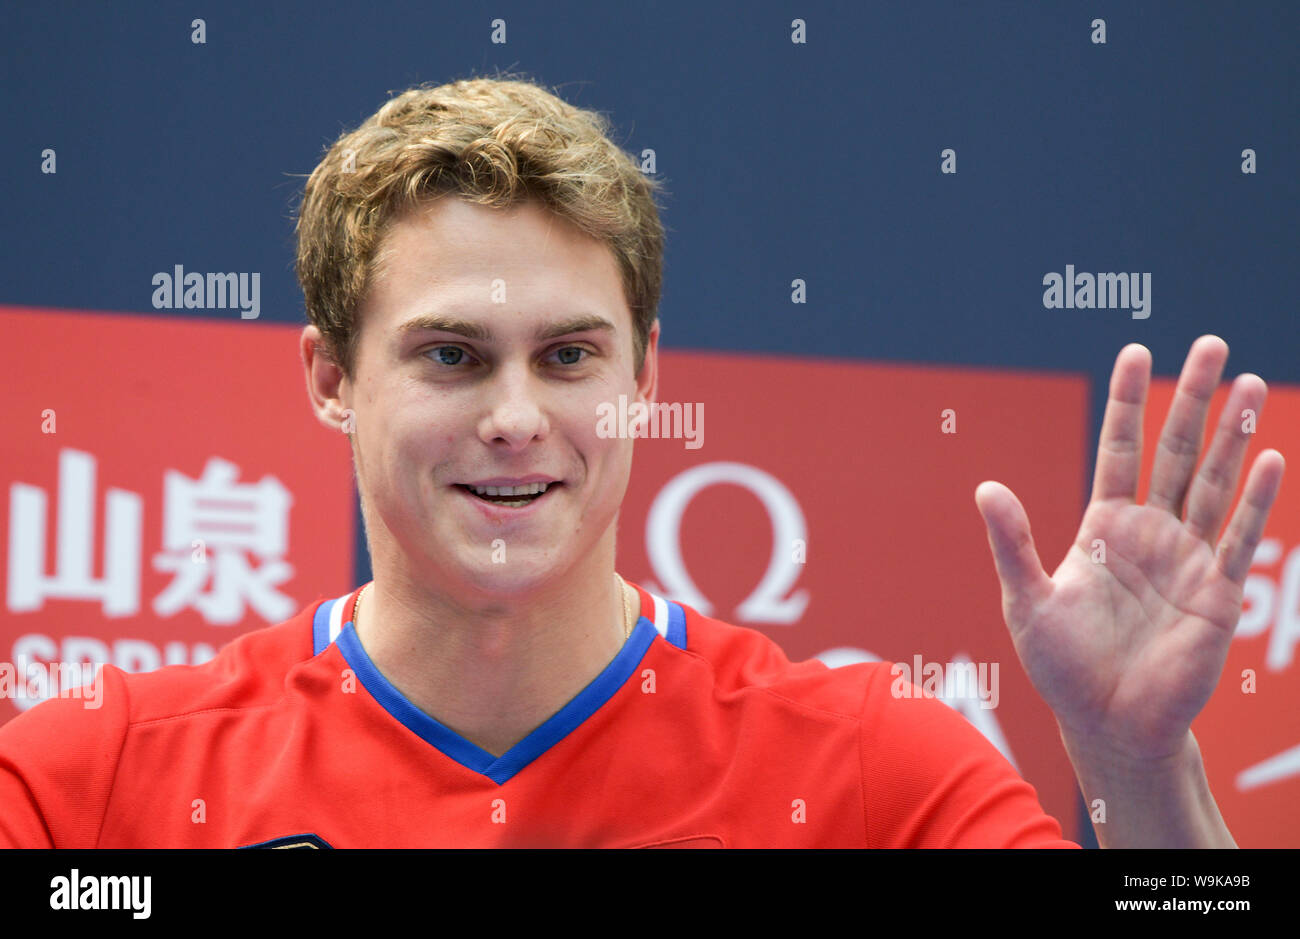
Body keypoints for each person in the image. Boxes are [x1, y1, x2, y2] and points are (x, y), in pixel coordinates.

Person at [0, 75, 1283, 848]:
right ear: (332, 381)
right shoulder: (97, 786)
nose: (516, 416)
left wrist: (1132, 768)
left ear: (644, 380)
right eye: (451, 356)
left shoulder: (869, 773)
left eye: (567, 357)